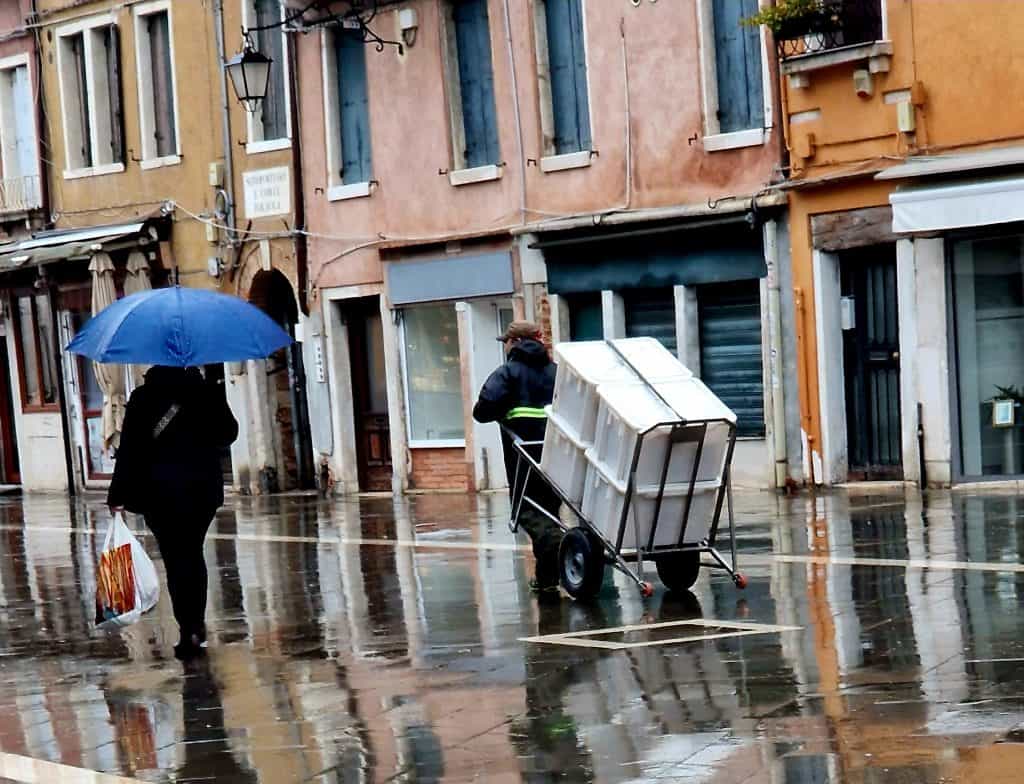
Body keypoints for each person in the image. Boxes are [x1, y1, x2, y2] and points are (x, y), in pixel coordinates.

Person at [107, 365, 239, 660]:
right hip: (200, 491)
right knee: (193, 553)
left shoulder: (142, 397)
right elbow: (228, 433)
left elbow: (130, 450)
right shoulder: (204, 391)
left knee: (175, 558)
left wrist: (117, 495)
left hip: (158, 494)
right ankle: (195, 625)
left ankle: (187, 627)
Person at [473, 321, 564, 595]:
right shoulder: (556, 372)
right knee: (550, 508)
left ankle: (559, 547)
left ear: (515, 342)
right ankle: (547, 579)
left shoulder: (507, 373)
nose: (505, 346)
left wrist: (503, 410)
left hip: (523, 459)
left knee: (529, 512)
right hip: (558, 456)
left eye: (506, 341)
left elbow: (483, 410)